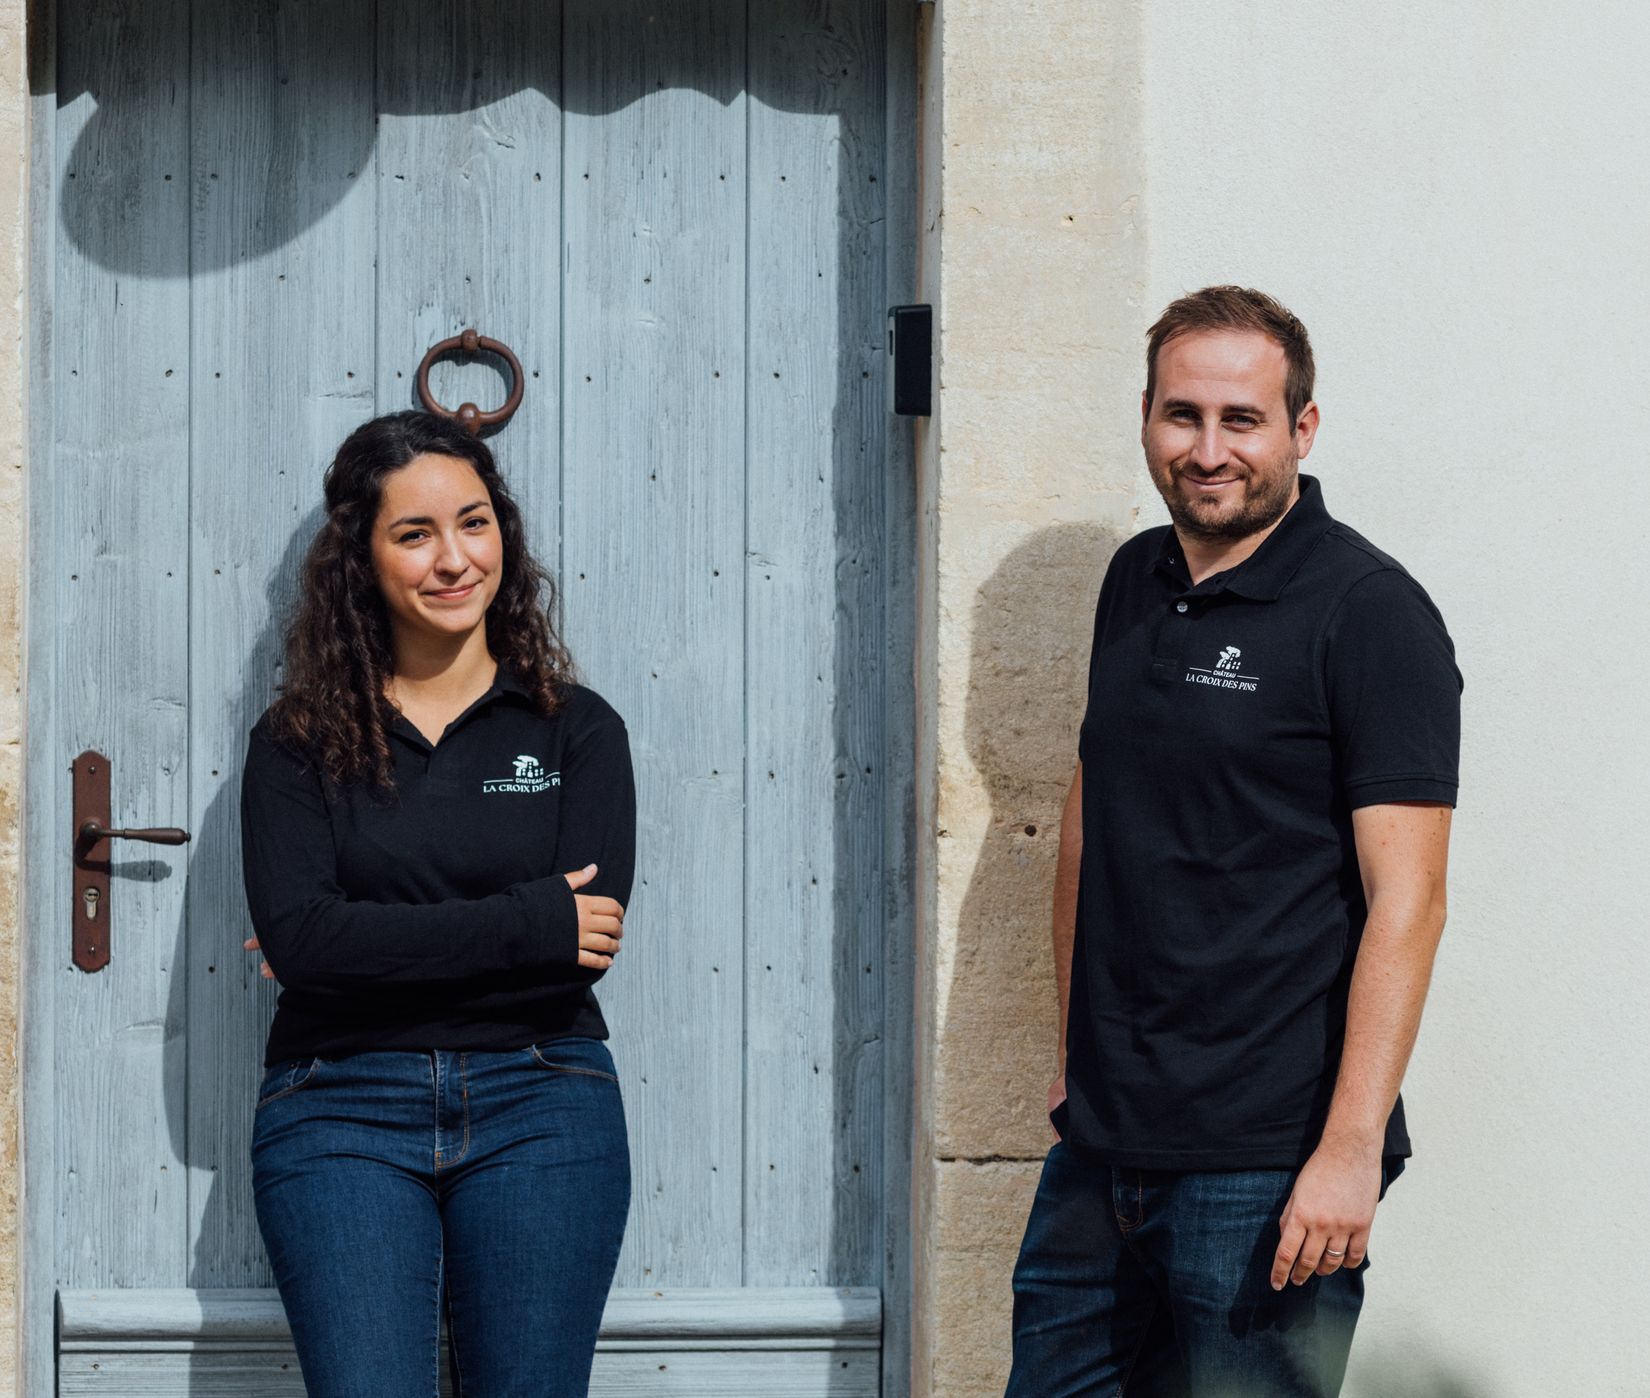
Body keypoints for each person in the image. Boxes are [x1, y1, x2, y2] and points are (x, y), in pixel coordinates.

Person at [1006, 287, 1461, 1397]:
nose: (1208, 451)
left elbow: (1410, 900)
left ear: (1301, 429)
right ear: (1149, 418)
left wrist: (1349, 1151)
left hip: (1267, 1165)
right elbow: (1091, 819)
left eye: (1241, 420)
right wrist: (1073, 1052)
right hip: (1102, 1151)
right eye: (1182, 416)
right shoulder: (1134, 581)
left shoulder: (1369, 612)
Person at [239, 410, 634, 1397]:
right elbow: (303, 937)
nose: (454, 559)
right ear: (362, 561)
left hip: (542, 1098)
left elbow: (586, 942)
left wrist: (356, 940)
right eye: (414, 535)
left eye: (474, 523)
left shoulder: (576, 731)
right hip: (338, 1105)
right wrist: (526, 919)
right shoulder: (298, 740)